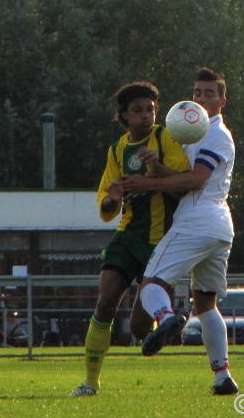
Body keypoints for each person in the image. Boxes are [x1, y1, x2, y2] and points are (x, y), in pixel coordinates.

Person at [119, 67, 239, 396]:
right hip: (219, 225)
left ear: (222, 100)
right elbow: (182, 182)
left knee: (151, 285)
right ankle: (222, 377)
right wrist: (159, 169)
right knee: (206, 303)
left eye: (209, 93)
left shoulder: (215, 134)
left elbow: (196, 181)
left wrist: (147, 181)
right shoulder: (194, 133)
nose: (201, 98)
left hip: (197, 220)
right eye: (197, 92)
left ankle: (167, 317)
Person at [69, 81, 190, 398]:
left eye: (150, 109)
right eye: (137, 111)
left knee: (138, 328)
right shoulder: (117, 151)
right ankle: (90, 382)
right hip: (127, 236)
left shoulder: (166, 138)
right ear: (123, 115)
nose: (146, 116)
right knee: (106, 300)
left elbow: (183, 187)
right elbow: (107, 208)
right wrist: (114, 197)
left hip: (159, 242)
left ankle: (165, 323)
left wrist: (157, 168)